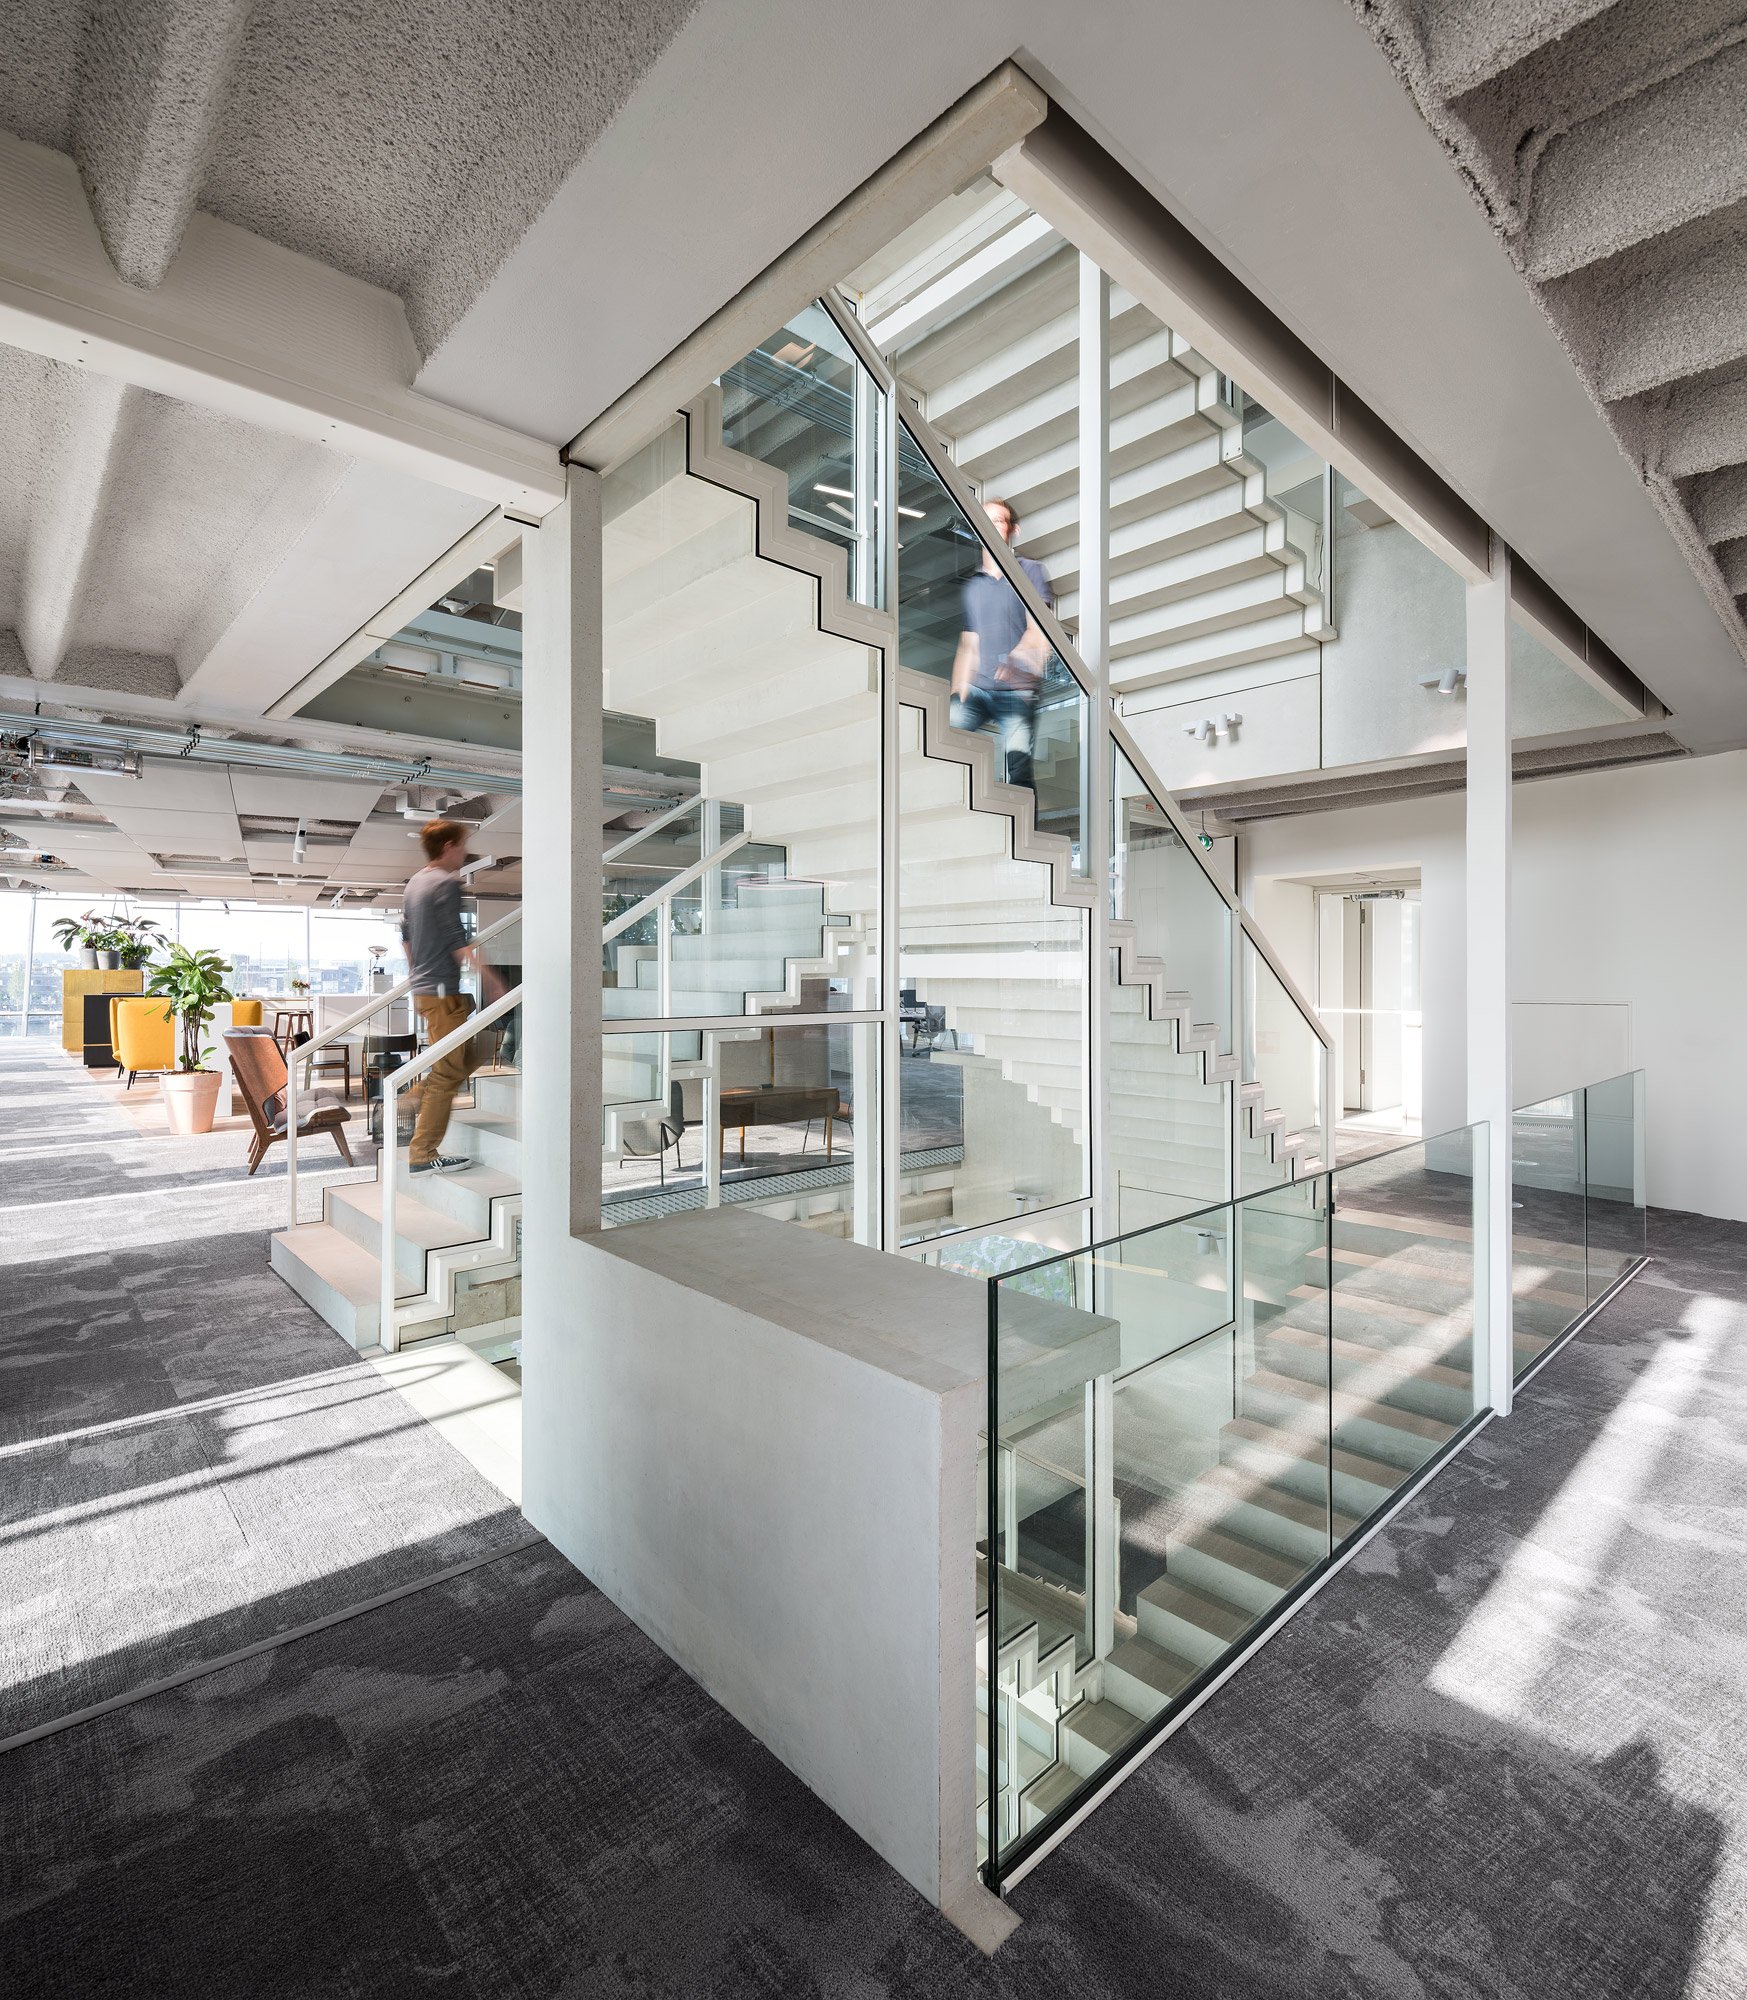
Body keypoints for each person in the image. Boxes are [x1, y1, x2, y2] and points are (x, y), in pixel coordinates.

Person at [400, 820, 502, 1173]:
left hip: (429, 989)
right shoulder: (445, 883)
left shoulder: (415, 882)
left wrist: (416, 976)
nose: (464, 851)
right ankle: (422, 1154)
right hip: (442, 992)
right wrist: (491, 978)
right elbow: (456, 939)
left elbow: (406, 937)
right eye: (461, 844)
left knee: (480, 1048)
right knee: (447, 1075)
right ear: (448, 846)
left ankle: (413, 1097)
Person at [950, 496, 1052, 789]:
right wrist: (957, 691)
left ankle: (1022, 821)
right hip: (979, 688)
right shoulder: (973, 586)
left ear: (1012, 529)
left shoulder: (1029, 571)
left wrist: (1016, 660)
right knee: (948, 753)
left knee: (1018, 770)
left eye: (998, 520)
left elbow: (1039, 630)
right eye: (986, 520)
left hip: (1016, 690)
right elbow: (968, 645)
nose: (991, 526)